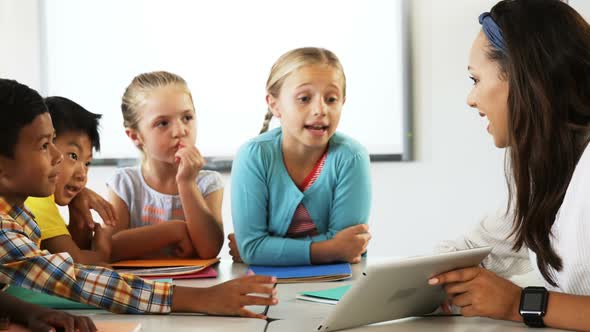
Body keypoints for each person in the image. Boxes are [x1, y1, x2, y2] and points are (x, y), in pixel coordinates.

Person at [0, 78, 277, 318]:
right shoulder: (4, 227)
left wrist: (30, 313)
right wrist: (200, 299)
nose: (58, 158)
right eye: (44, 146)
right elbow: (74, 278)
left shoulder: (20, 215)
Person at [429, 0, 590, 330]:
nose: (470, 99)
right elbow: (482, 250)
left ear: (522, 77)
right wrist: (411, 284)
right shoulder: (543, 167)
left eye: (475, 79)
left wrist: (519, 304)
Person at [229, 47, 372, 265]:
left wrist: (269, 249)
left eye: (331, 99)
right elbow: (253, 248)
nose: (320, 109)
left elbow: (349, 247)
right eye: (304, 98)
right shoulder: (253, 156)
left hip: (339, 287)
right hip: (268, 288)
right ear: (274, 105)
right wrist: (329, 249)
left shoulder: (351, 157)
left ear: (343, 102)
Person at [107, 71, 224, 261]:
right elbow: (109, 249)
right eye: (162, 123)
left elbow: (209, 250)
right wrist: (173, 231)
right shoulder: (124, 183)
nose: (180, 131)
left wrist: (186, 183)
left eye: (187, 118)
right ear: (136, 136)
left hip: (195, 289)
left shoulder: (208, 183)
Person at [25, 96, 114, 265]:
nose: (82, 174)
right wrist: (102, 253)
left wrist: (78, 215)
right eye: (73, 156)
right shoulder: (36, 199)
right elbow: (75, 263)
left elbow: (68, 249)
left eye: (87, 163)